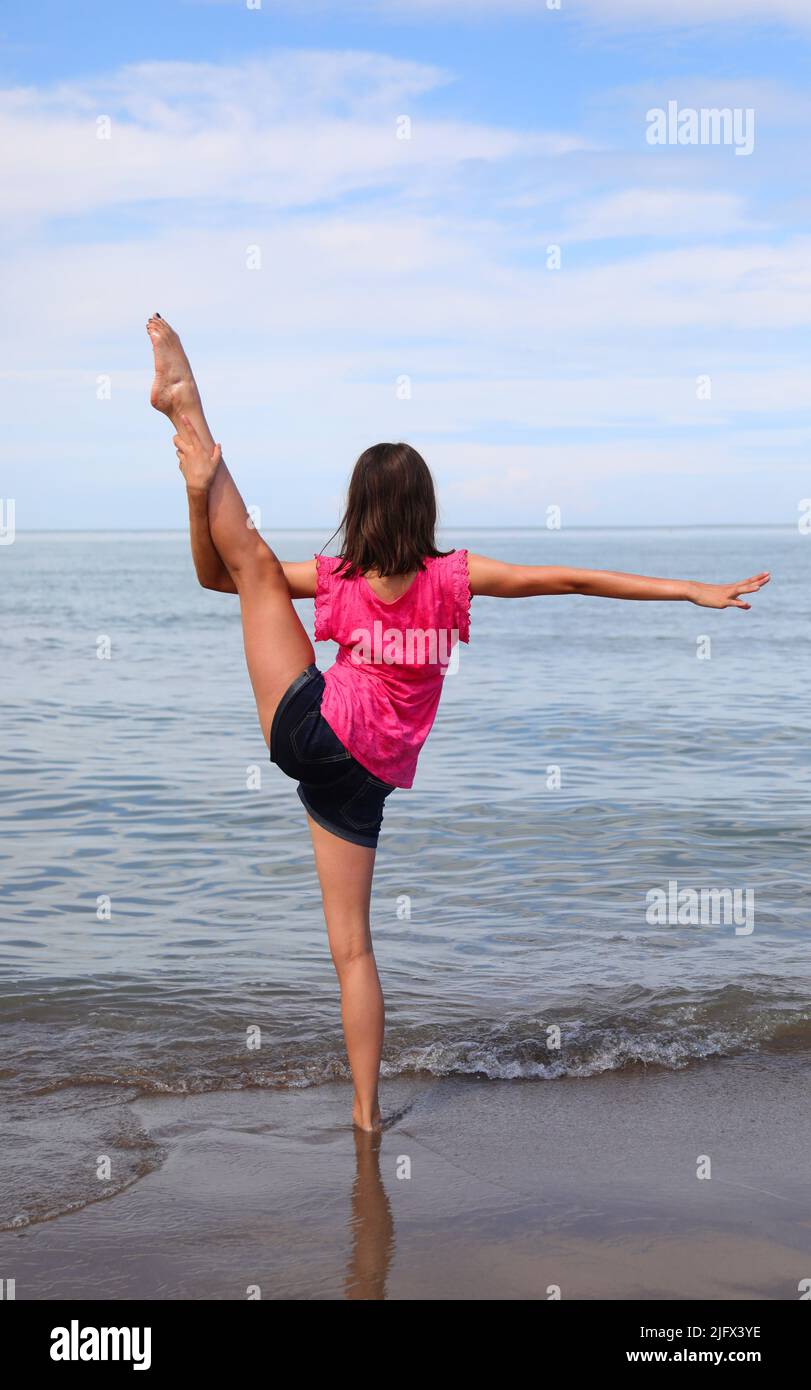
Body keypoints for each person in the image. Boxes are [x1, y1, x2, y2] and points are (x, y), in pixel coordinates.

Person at [146, 313, 770, 1131]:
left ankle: (192, 418)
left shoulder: (336, 576)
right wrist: (688, 591)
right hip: (362, 775)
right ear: (423, 507)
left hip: (312, 733)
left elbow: (225, 579)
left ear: (360, 506)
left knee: (257, 565)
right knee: (355, 952)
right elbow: (572, 580)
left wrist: (203, 498)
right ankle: (367, 1121)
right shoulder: (455, 576)